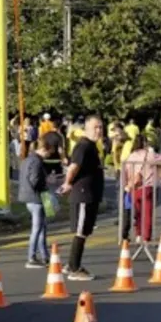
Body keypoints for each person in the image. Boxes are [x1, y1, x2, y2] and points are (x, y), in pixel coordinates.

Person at [57, 115, 105, 281]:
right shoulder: (83, 146)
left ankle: (72, 264)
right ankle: (74, 267)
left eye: (100, 127)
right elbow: (74, 166)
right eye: (95, 127)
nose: (98, 131)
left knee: (85, 231)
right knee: (81, 232)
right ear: (86, 129)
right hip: (83, 194)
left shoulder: (92, 146)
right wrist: (67, 183)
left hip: (91, 195)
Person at [18, 131, 62, 269]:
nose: (51, 154)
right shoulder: (37, 162)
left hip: (28, 197)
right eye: (51, 150)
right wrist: (48, 181)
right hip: (37, 198)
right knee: (37, 229)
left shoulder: (28, 160)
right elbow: (35, 181)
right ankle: (31, 257)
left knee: (42, 227)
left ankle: (45, 256)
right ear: (46, 148)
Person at [122, 134, 161, 243]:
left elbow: (126, 171)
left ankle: (138, 234)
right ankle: (146, 236)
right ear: (145, 143)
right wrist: (151, 151)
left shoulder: (131, 156)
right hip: (147, 187)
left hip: (134, 187)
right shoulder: (149, 155)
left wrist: (127, 185)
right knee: (147, 213)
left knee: (138, 213)